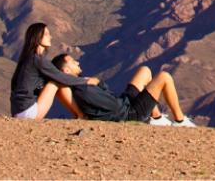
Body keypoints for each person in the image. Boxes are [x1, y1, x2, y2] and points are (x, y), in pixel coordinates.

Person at [52, 53, 196, 127]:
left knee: (144, 71)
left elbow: (109, 99)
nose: (77, 62)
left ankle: (157, 118)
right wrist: (99, 84)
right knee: (164, 77)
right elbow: (113, 107)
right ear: (66, 70)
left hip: (124, 103)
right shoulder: (83, 90)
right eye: (72, 62)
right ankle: (180, 121)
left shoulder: (83, 83)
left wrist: (98, 82)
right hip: (129, 113)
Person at [9, 22, 99, 119]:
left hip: (18, 112)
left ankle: (78, 115)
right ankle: (80, 115)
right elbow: (62, 78)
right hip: (28, 112)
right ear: (38, 38)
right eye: (47, 34)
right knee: (55, 83)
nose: (50, 37)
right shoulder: (37, 60)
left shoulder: (28, 58)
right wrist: (86, 81)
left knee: (55, 81)